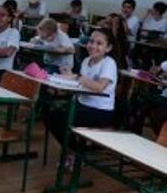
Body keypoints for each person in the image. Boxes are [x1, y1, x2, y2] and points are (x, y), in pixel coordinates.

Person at [43, 27, 118, 156]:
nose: (93, 46)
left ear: (108, 48)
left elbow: (100, 87)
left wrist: (77, 77)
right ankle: (74, 149)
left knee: (60, 119)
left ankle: (72, 152)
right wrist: (67, 76)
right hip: (81, 104)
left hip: (100, 110)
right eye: (91, 41)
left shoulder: (109, 63)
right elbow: (81, 84)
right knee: (48, 112)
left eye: (99, 43)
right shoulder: (86, 61)